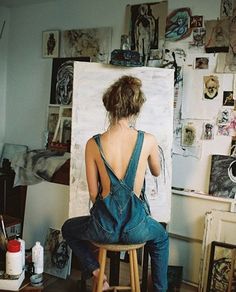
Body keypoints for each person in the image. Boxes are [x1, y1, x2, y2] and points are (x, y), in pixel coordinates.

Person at [61, 75, 169, 291]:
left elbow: (94, 195)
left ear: (109, 107)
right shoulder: (148, 140)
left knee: (68, 228)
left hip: (103, 229)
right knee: (162, 239)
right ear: (136, 109)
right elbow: (157, 172)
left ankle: (97, 272)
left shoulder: (93, 144)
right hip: (137, 228)